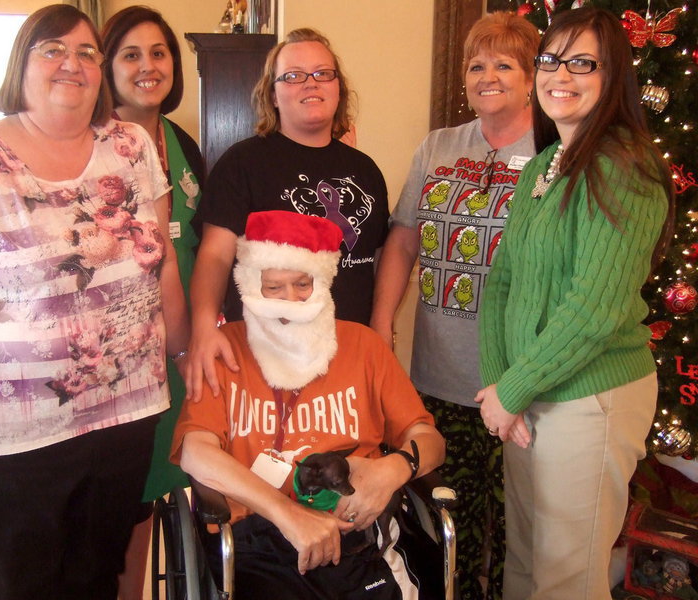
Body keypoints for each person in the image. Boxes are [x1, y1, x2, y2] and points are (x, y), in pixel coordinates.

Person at [0, 5, 189, 599]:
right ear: (20, 64)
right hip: (12, 442)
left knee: (95, 582)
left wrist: (181, 354)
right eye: (52, 49)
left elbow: (162, 263)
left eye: (87, 52)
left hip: (125, 421)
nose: (73, 63)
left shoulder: (130, 145)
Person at [476, 7, 675, 600]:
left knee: (566, 580)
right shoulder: (542, 166)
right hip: (530, 396)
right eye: (550, 59)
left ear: (613, 76)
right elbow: (502, 284)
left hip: (591, 398)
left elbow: (595, 309)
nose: (559, 74)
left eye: (582, 62)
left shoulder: (623, 166)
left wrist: (511, 392)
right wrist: (501, 383)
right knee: (527, 563)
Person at [172, 210, 446, 599]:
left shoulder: (364, 347)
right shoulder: (223, 350)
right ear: (250, 285)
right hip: (257, 539)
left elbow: (429, 439)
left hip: (358, 534)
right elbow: (196, 453)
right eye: (273, 287)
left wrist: (394, 469)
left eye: (303, 284)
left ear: (324, 280)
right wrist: (288, 515)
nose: (290, 302)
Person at [370, 12, 539, 599]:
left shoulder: (556, 148)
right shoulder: (439, 147)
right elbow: (403, 238)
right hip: (439, 378)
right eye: (476, 64)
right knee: (451, 524)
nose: (488, 75)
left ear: (531, 75)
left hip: (520, 383)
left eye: (504, 64)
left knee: (519, 528)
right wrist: (381, 323)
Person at [186, 28, 389, 401]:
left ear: (338, 87)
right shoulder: (242, 164)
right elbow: (215, 254)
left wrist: (380, 333)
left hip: (346, 358)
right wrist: (203, 328)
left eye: (322, 73)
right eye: (293, 76)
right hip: (267, 358)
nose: (310, 84)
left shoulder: (367, 170)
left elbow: (371, 260)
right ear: (273, 94)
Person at [100, 7, 204, 597]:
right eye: (131, 55)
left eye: (159, 53)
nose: (148, 66)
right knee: (123, 506)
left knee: (156, 496)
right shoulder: (94, 147)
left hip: (178, 349)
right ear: (108, 68)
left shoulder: (178, 140)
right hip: (122, 355)